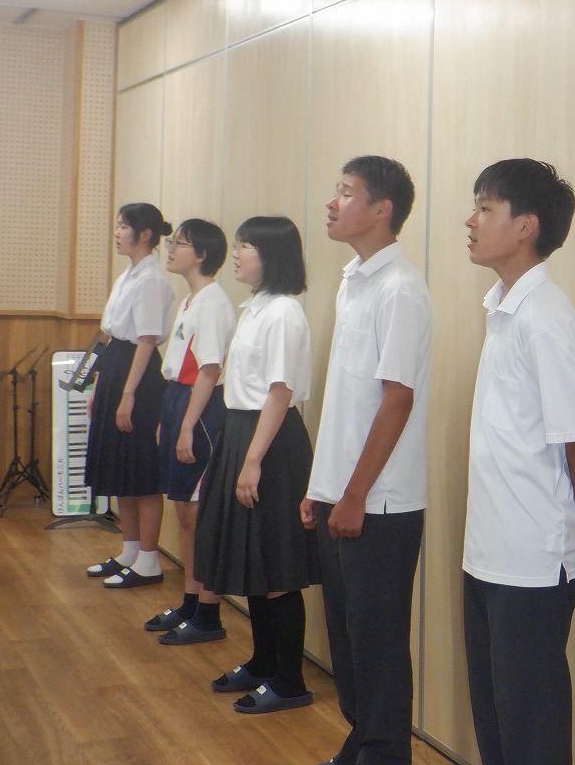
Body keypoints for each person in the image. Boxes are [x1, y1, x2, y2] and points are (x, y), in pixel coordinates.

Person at [461, 159, 575, 765]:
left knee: (531, 730)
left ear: (526, 226)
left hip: (533, 559)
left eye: (485, 208)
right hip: (488, 550)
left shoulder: (545, 316)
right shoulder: (503, 308)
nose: (470, 221)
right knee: (496, 720)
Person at [300, 156, 431, 765]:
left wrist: (353, 495)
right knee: (348, 642)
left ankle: (382, 753)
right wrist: (321, 486)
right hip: (342, 494)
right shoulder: (353, 279)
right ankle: (362, 742)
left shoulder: (400, 288)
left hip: (379, 504)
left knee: (377, 643)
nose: (332, 202)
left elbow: (396, 399)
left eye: (346, 192)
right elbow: (346, 402)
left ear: (382, 210)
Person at [194, 216, 320, 714]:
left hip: (271, 442)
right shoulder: (255, 307)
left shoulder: (284, 312)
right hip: (243, 431)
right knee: (253, 559)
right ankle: (263, 662)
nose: (237, 253)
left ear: (271, 255)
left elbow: (280, 391)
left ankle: (290, 682)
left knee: (277, 562)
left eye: (245, 245)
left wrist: (252, 461)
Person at [143, 219, 236, 644]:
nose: (170, 248)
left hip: (201, 409)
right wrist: (168, 418)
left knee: (200, 514)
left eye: (179, 243)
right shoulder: (189, 300)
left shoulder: (213, 302)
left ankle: (209, 614)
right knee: (183, 511)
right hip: (178, 400)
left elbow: (210, 371)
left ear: (201, 255)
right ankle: (191, 600)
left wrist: (185, 427)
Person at [86, 202, 177, 588]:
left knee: (142, 470)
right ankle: (130, 550)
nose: (117, 232)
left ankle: (150, 560)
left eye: (124, 226)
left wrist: (128, 395)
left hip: (138, 375)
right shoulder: (128, 274)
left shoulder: (152, 279)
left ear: (145, 235)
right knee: (121, 466)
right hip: (117, 365)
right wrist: (98, 387)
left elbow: (146, 339)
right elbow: (113, 337)